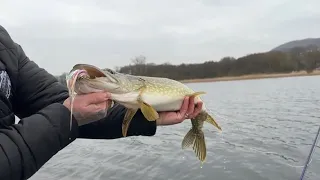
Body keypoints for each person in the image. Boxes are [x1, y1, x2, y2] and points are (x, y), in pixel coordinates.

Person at [0, 25, 203, 180]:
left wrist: (147, 118)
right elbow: (67, 111)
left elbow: (56, 101)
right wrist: (67, 114)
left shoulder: (5, 46)